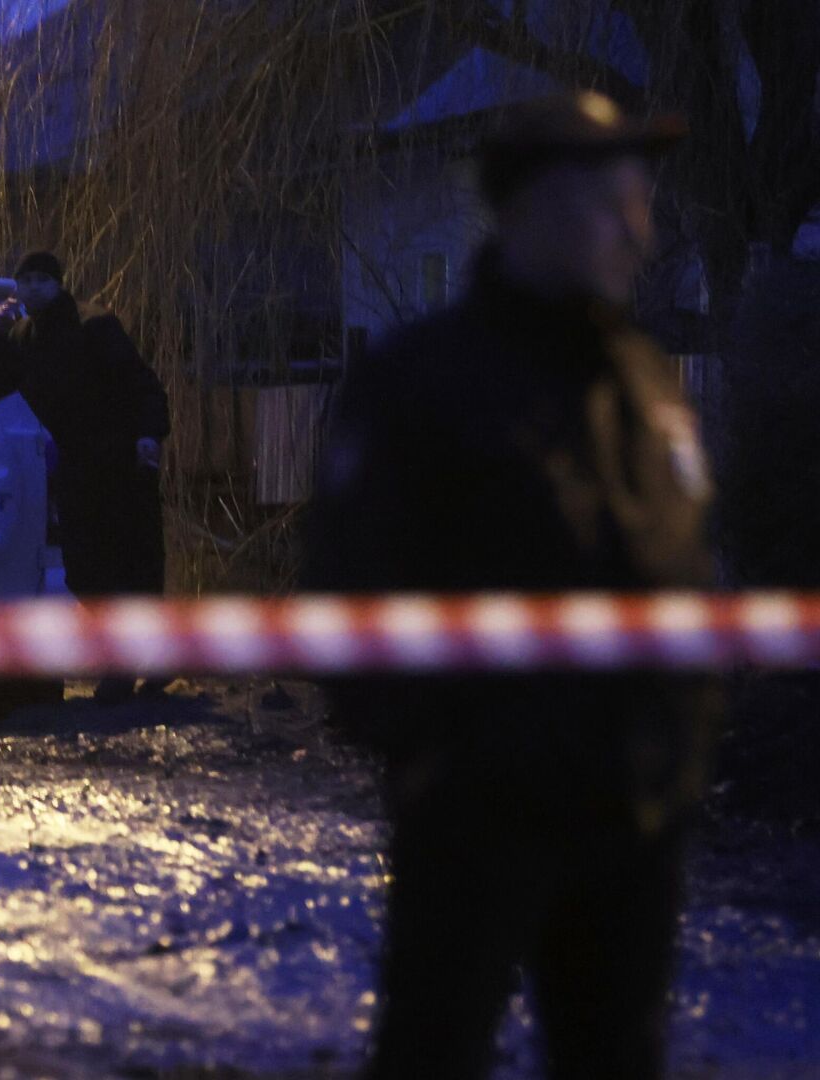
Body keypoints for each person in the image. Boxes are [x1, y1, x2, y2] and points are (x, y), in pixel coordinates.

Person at [304, 91, 720, 1079]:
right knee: (434, 1053)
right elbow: (351, 593)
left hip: (633, 820)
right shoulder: (422, 382)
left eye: (641, 201)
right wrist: (440, 762)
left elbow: (692, 568)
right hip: (480, 821)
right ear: (527, 208)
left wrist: (680, 756)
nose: (637, 230)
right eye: (610, 203)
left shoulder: (646, 382)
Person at [0, 250, 170, 704]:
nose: (33, 287)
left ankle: (134, 663)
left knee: (131, 564)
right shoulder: (22, 338)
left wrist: (148, 435)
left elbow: (142, 385)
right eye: (26, 280)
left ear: (58, 284)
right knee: (85, 568)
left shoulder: (94, 325)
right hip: (77, 465)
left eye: (42, 279)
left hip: (122, 461)